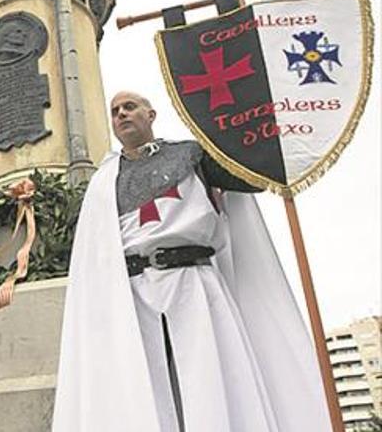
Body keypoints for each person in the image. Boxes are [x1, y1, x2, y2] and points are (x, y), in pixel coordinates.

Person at [52, 91, 332, 432]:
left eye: (130, 107)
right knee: (146, 389)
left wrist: (261, 126)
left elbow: (251, 173)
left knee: (206, 382)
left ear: (150, 114)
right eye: (115, 111)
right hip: (132, 294)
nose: (122, 114)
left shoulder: (192, 155)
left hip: (193, 284)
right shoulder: (103, 181)